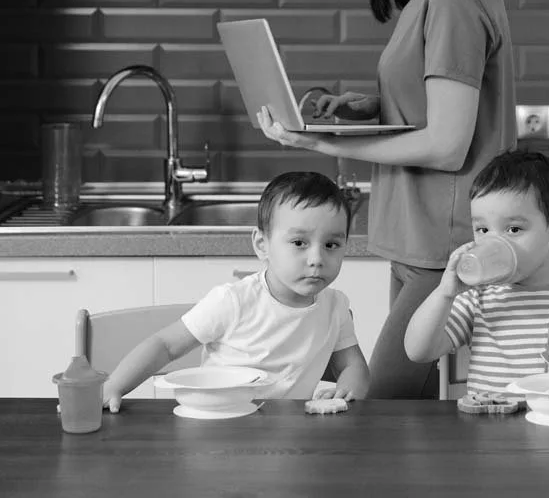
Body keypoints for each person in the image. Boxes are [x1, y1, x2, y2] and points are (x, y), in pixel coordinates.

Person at [257, 0, 516, 398]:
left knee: (383, 409)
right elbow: (435, 106)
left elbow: (448, 143)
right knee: (414, 429)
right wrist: (365, 109)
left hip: (441, 245)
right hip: (416, 236)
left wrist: (328, 146)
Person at [102, 171, 369, 411]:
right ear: (262, 245)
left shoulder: (335, 306)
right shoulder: (233, 301)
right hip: (220, 423)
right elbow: (165, 346)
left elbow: (352, 366)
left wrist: (345, 391)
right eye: (299, 242)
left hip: (288, 435)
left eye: (331, 245)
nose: (316, 258)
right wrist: (115, 387)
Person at [404, 150, 549, 392]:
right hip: (490, 428)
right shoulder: (478, 298)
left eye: (514, 229)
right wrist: (445, 294)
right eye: (483, 230)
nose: (494, 243)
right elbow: (418, 351)